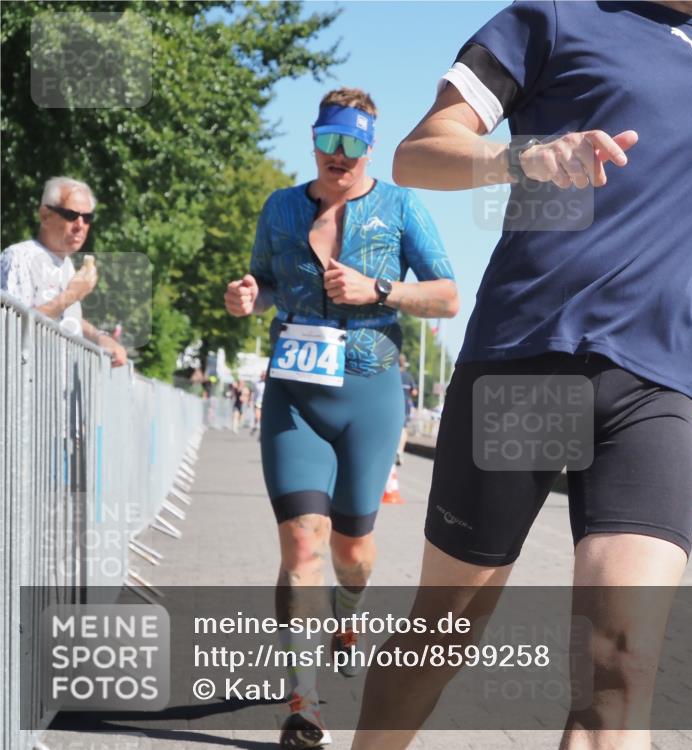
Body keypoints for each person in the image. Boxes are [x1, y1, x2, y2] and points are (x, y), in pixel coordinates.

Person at [353, 3, 692, 749]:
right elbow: (419, 152)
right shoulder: (553, 18)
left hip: (658, 385)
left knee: (620, 666)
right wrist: (521, 158)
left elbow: (671, 218)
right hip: (529, 358)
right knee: (444, 631)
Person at [223, 87, 458, 748]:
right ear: (315, 141)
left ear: (369, 146)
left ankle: (347, 615)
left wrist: (379, 288)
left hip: (370, 397)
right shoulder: (280, 207)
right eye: (329, 141)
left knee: (352, 553)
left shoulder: (401, 206)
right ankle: (304, 704)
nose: (339, 156)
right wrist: (249, 295)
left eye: (352, 144)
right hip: (294, 396)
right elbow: (263, 280)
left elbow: (446, 297)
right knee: (302, 543)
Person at [1, 176, 127, 366]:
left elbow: (67, 318)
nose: (80, 226)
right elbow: (13, 326)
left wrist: (100, 337)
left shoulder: (66, 264)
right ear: (45, 216)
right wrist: (71, 295)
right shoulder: (20, 257)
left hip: (55, 391)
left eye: (87, 218)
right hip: (25, 388)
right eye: (70, 215)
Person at [396, 353, 418, 464]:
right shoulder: (408, 376)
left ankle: (392, 450)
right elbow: (414, 392)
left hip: (394, 402)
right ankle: (399, 451)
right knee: (403, 428)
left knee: (393, 426)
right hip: (405, 403)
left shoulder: (393, 374)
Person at [251, 370, 267, 437]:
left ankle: (261, 433)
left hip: (265, 403)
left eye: (264, 375)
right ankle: (255, 426)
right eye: (262, 375)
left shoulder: (268, 384)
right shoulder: (257, 383)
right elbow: (253, 393)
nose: (263, 377)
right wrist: (251, 401)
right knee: (258, 417)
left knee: (263, 419)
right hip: (257, 402)